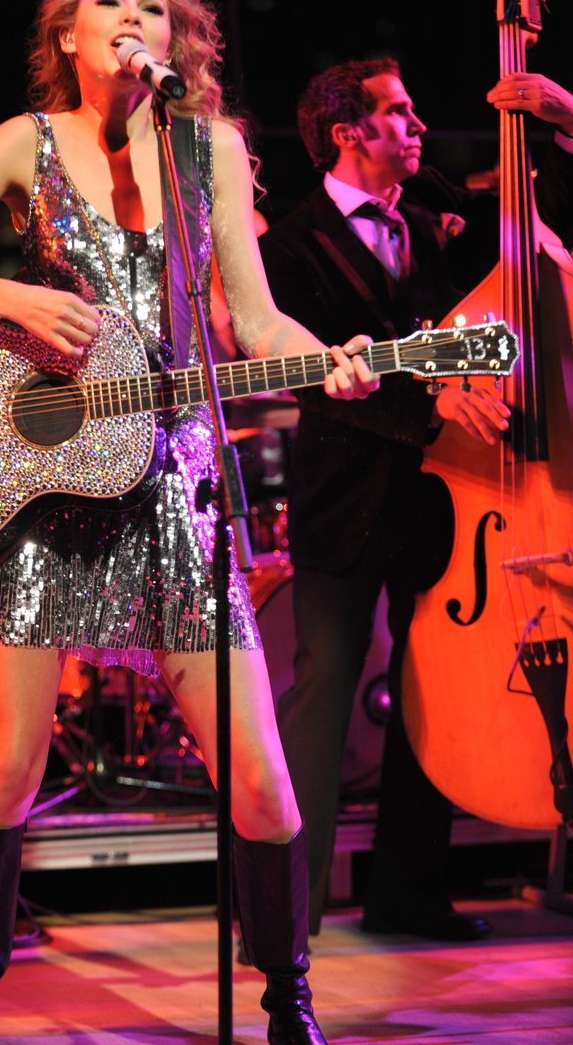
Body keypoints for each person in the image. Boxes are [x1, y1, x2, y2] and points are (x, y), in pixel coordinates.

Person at [0, 0, 380, 1045]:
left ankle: (286, 1001)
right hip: (49, 483)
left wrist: (325, 354)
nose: (133, 17)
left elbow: (251, 319)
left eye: (154, 7)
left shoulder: (210, 152)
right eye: (110, 2)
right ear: (67, 35)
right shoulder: (25, 143)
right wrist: (13, 300)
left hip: (173, 478)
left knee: (256, 774)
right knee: (6, 761)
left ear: (176, 42)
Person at [258, 57, 573, 942]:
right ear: (348, 132)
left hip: (451, 506)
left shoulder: (435, 209)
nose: (418, 124)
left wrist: (557, 116)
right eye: (398, 112)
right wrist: (433, 403)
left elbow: (532, 236)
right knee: (322, 694)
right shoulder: (288, 247)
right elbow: (325, 380)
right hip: (348, 501)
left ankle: (408, 893)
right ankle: (286, 910)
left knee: (433, 695)